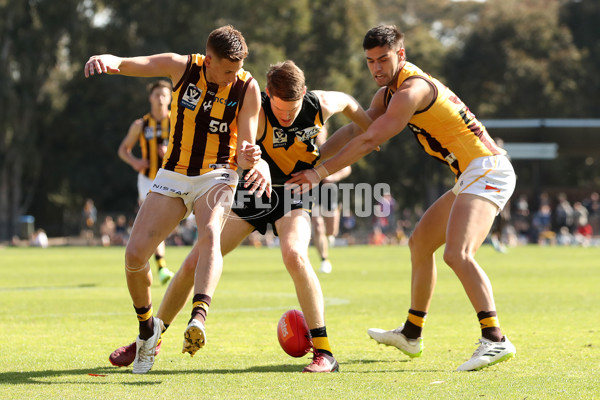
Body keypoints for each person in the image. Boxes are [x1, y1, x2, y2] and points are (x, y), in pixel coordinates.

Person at [108, 60, 372, 373]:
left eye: (294, 107)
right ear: (268, 94)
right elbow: (227, 142)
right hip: (251, 194)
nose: (287, 116)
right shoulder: (253, 107)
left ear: (304, 92)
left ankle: (325, 352)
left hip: (294, 195)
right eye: (281, 108)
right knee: (194, 262)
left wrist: (369, 131)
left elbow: (351, 106)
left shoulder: (321, 103)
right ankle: (150, 339)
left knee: (295, 256)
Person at [287, 25, 517, 372]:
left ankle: (495, 339)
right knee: (421, 244)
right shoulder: (387, 93)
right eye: (370, 61)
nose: (376, 67)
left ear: (401, 55)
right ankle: (411, 333)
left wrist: (320, 173)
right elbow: (354, 129)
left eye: (383, 59)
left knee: (458, 253)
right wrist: (308, 159)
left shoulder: (412, 90)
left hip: (488, 168)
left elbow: (370, 140)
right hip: (471, 174)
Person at [85, 25, 268, 374]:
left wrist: (249, 157)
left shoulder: (247, 87)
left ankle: (198, 316)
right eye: (228, 69)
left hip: (218, 172)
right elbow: (135, 64)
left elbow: (246, 148)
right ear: (209, 59)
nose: (234, 75)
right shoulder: (182, 67)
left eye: (239, 68)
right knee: (135, 254)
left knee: (210, 232)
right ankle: (146, 332)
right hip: (174, 174)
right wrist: (110, 60)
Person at [118, 80, 176, 284]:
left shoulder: (178, 121)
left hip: (172, 178)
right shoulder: (140, 124)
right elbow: (123, 150)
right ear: (150, 98)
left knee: (160, 225)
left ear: (170, 98)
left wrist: (169, 153)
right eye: (157, 95)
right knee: (153, 222)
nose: (160, 98)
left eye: (164, 95)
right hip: (147, 179)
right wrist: (135, 161)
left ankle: (155, 263)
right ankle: (160, 266)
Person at [311, 127, 352, 273]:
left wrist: (332, 177)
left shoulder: (334, 146)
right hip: (311, 188)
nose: (317, 134)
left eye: (320, 131)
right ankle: (324, 260)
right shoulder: (306, 147)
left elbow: (347, 168)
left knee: (331, 230)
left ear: (326, 132)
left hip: (329, 189)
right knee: (317, 225)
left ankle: (330, 235)